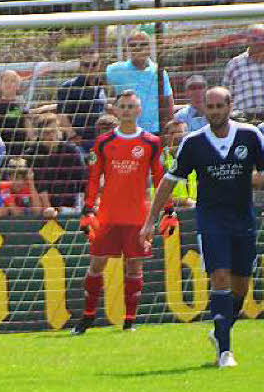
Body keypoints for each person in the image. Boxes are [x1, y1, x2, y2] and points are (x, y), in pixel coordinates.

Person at [142, 86, 264, 367]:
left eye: (220, 106)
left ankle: (219, 330)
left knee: (241, 287)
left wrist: (255, 180)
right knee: (219, 276)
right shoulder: (193, 142)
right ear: (204, 110)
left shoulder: (250, 135)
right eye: (210, 107)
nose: (215, 112)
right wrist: (150, 220)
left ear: (229, 106)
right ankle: (225, 351)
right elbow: (170, 181)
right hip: (211, 220)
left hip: (243, 219)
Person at [73, 90, 165, 335]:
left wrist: (168, 211)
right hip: (108, 215)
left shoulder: (151, 143)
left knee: (134, 267)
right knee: (96, 264)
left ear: (139, 110)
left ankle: (129, 320)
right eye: (122, 106)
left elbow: (160, 178)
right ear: (114, 110)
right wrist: (88, 209)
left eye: (131, 106)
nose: (126, 110)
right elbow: (93, 178)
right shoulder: (103, 142)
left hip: (138, 216)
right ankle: (88, 316)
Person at [105, 31, 173, 134]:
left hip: (155, 131)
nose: (138, 48)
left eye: (143, 44)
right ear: (128, 48)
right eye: (133, 45)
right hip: (126, 131)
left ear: (149, 48)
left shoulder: (159, 72)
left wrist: (169, 128)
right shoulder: (114, 70)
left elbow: (168, 101)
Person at [23, 113, 87, 213]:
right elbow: (37, 184)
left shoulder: (72, 151)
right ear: (40, 135)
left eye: (53, 131)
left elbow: (82, 182)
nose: (51, 136)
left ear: (59, 130)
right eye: (46, 133)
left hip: (70, 206)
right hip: (41, 206)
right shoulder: (32, 154)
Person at [56, 47, 109, 148]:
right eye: (86, 64)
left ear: (99, 65)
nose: (90, 67)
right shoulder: (68, 87)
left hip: (100, 140)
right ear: (80, 65)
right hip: (79, 142)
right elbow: (61, 115)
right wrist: (73, 137)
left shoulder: (101, 85)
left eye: (94, 64)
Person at [222, 25, 264, 121]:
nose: (259, 42)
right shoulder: (235, 63)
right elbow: (226, 95)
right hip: (244, 118)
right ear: (248, 40)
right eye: (255, 39)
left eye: (262, 38)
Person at [0, 69, 30, 155]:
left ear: (18, 86)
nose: (8, 83)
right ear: (0, 85)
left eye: (13, 81)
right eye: (5, 81)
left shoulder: (21, 104)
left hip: (18, 148)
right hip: (0, 147)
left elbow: (27, 125)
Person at [160, 119, 196, 208]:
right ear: (166, 137)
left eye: (180, 132)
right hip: (170, 213)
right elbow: (156, 195)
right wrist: (184, 202)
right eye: (172, 133)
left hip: (197, 211)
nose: (176, 136)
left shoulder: (196, 156)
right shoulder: (160, 160)